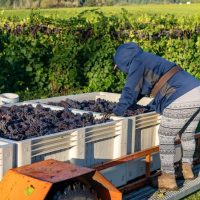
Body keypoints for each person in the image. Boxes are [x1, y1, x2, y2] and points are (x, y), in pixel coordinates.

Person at [113, 42, 200, 190]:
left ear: (123, 61)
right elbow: (139, 90)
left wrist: (116, 113)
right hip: (196, 91)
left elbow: (130, 90)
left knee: (166, 135)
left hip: (181, 96)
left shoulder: (137, 62)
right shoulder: (146, 58)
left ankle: (168, 178)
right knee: (187, 134)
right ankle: (187, 170)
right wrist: (134, 104)